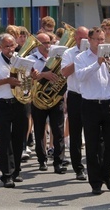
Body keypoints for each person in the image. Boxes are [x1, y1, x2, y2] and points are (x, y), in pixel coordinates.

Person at [75, 27, 110, 195]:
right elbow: (80, 76)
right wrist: (97, 63)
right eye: (97, 39)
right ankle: (95, 182)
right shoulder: (81, 57)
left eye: (103, 39)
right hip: (90, 105)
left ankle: (107, 176)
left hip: (109, 104)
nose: (101, 43)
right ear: (90, 40)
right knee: (92, 145)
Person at [0, 33, 27, 188]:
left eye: (12, 45)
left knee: (18, 138)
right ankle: (6, 174)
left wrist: (33, 74)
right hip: (2, 104)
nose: (10, 49)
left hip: (19, 102)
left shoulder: (20, 58)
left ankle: (17, 171)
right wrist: (7, 81)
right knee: (4, 139)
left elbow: (28, 76)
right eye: (6, 46)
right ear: (0, 47)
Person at [28, 32, 66, 174]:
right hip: (38, 100)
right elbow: (25, 78)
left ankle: (58, 161)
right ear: (37, 44)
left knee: (58, 130)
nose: (47, 46)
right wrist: (43, 75)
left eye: (49, 42)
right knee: (39, 131)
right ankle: (42, 159)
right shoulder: (30, 59)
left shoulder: (57, 57)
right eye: (44, 43)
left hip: (56, 98)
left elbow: (64, 76)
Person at [61, 26, 89, 181]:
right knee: (76, 134)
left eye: (86, 38)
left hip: (91, 96)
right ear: (75, 38)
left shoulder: (95, 53)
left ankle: (94, 164)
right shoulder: (69, 53)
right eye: (80, 38)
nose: (83, 41)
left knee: (93, 134)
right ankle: (78, 168)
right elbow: (64, 73)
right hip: (75, 96)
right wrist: (78, 60)